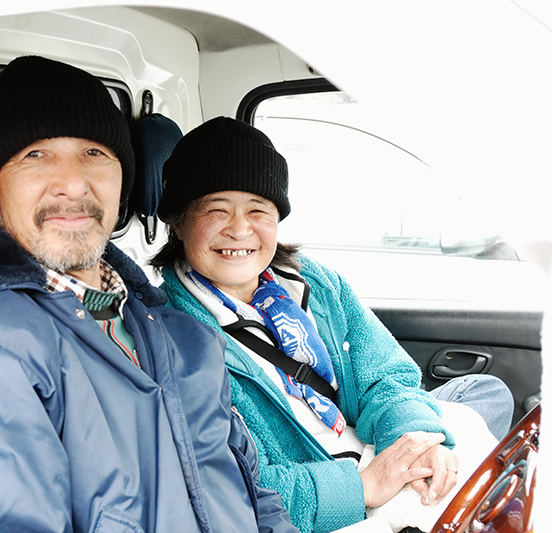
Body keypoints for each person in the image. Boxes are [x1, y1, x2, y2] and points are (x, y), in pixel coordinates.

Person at [0, 57, 298, 533]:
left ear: (122, 185)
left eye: (94, 152)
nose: (72, 182)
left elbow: (257, 501)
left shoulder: (184, 338)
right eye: (34, 154)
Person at [151, 117, 515, 533]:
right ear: (178, 223)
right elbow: (225, 489)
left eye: (258, 210)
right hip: (330, 499)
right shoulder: (170, 335)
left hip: (370, 446)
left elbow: (384, 377)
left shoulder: (316, 283)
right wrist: (364, 487)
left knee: (486, 392)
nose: (239, 229)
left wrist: (416, 440)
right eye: (216, 210)